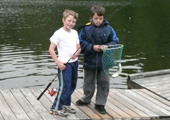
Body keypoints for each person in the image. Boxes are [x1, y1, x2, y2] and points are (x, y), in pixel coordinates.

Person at [76, 5, 119, 114]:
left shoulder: (109, 29)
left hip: (105, 62)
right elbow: (80, 43)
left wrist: (107, 46)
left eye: (100, 19)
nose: (98, 21)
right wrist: (92, 47)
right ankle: (86, 98)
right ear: (91, 17)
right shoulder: (85, 29)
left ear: (103, 17)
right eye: (96, 18)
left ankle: (100, 104)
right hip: (89, 61)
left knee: (104, 82)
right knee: (88, 82)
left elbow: (115, 41)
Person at [48, 9, 81, 117]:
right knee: (64, 87)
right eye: (69, 20)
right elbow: (51, 49)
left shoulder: (75, 33)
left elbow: (79, 47)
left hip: (74, 63)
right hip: (64, 65)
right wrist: (58, 63)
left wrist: (76, 54)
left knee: (72, 85)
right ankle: (55, 107)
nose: (71, 23)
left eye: (73, 22)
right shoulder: (58, 33)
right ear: (63, 20)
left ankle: (66, 104)